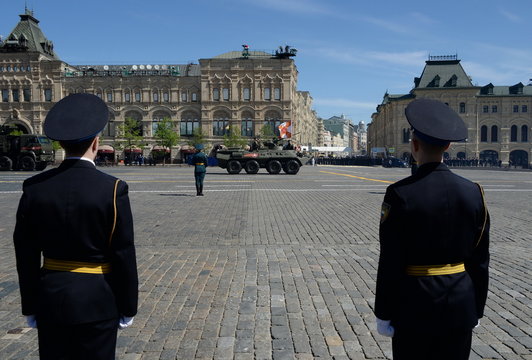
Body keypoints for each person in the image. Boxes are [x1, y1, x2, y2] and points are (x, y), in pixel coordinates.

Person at [13, 93, 138, 360]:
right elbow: (123, 252)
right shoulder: (113, 189)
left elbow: (25, 253)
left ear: (60, 143)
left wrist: (31, 305)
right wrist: (128, 306)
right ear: (96, 142)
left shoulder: (35, 188)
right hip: (98, 301)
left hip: (51, 300)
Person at [374, 98, 490, 360]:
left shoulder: (400, 193)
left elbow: (391, 259)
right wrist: (477, 307)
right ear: (448, 146)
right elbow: (480, 259)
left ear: (414, 145)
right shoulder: (474, 192)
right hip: (460, 302)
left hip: (413, 305)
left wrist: (384, 312)